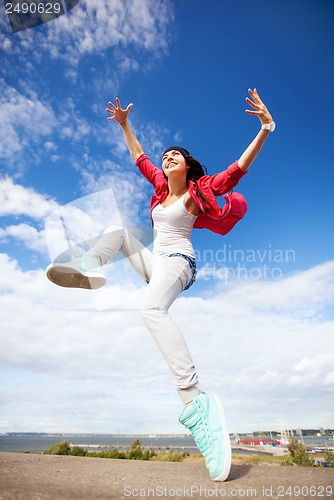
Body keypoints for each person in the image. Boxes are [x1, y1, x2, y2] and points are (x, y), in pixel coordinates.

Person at [46, 88, 275, 481]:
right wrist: (124, 124)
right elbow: (140, 157)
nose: (168, 158)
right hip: (156, 264)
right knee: (118, 231)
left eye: (176, 155)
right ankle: (89, 265)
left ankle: (195, 401)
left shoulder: (196, 193)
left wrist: (266, 128)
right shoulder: (158, 190)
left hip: (180, 264)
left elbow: (235, 170)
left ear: (187, 167)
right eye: (166, 155)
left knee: (150, 308)